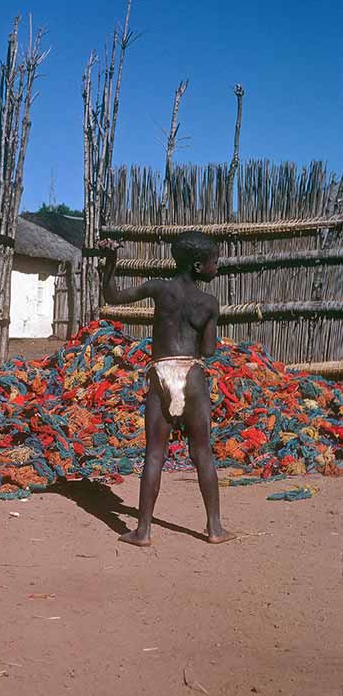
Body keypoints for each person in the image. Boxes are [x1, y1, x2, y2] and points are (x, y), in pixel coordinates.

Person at [99, 230, 235, 546]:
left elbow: (112, 296)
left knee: (155, 455)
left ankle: (143, 531)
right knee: (202, 453)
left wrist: (111, 261)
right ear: (200, 265)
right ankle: (214, 528)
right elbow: (210, 350)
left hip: (161, 373)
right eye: (215, 262)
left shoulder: (159, 289)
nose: (218, 267)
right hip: (193, 377)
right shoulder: (209, 302)